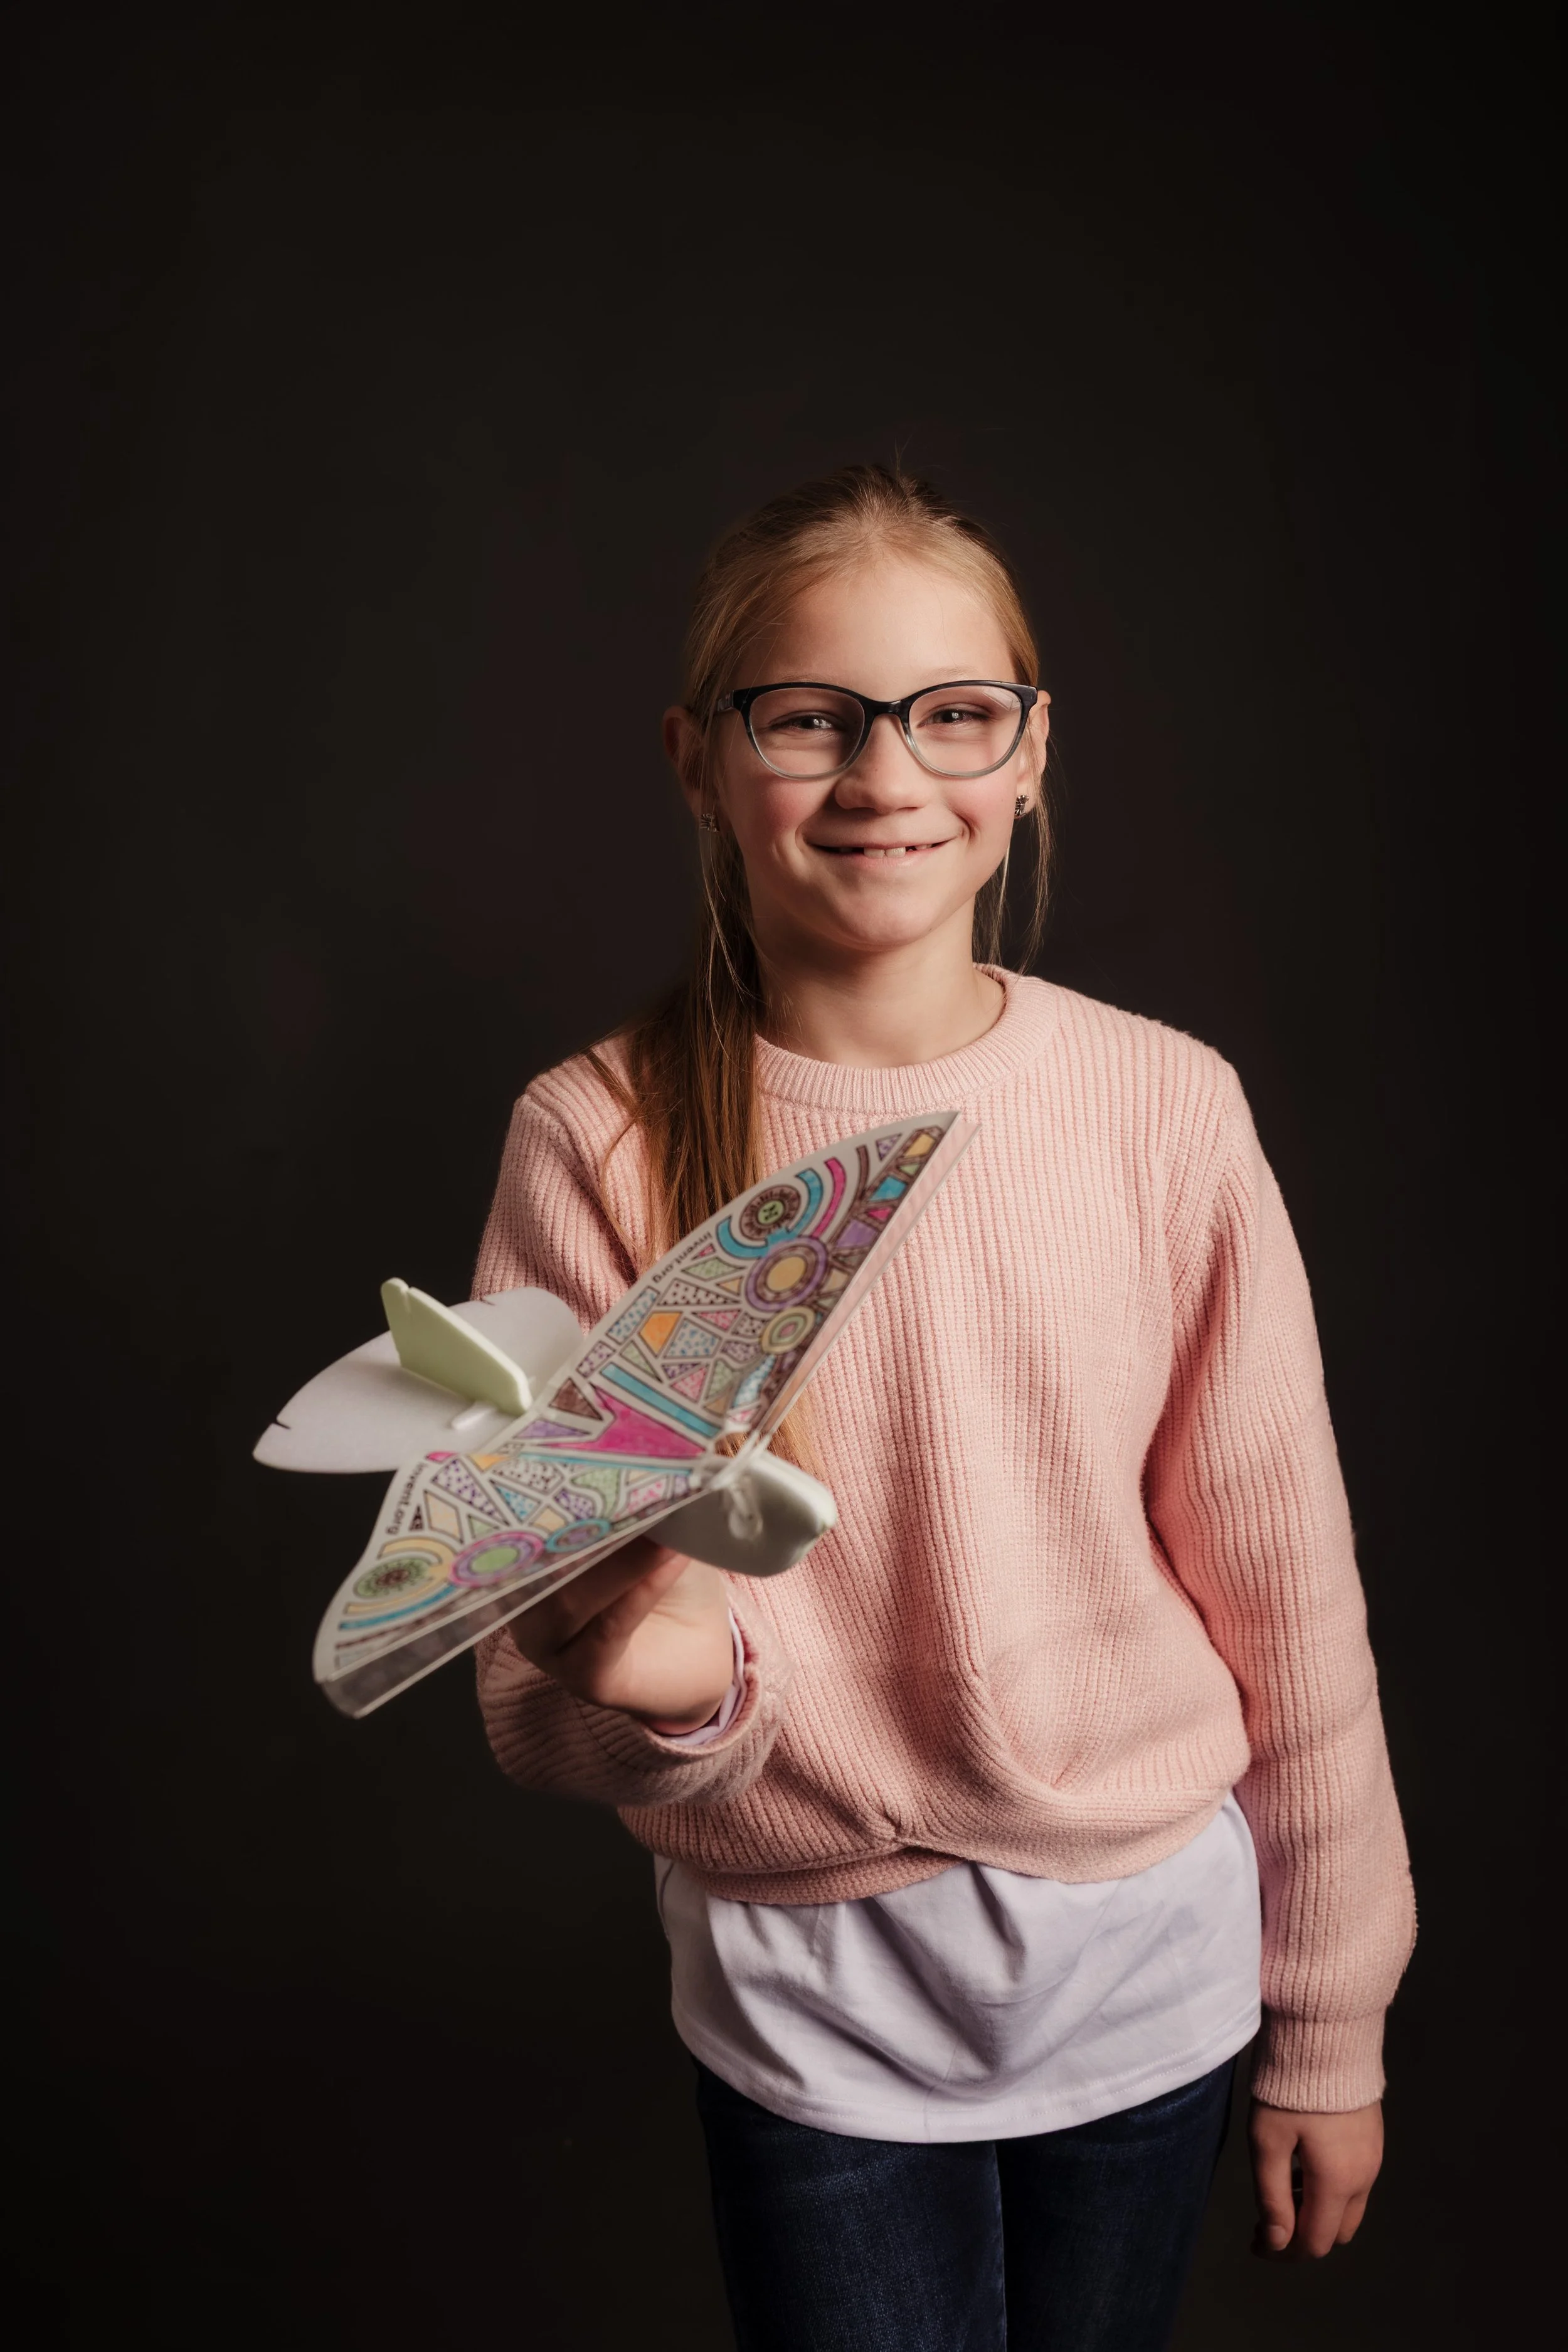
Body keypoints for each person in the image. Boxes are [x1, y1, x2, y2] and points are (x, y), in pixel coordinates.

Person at [471, 466, 1415, 2351]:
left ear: (1028, 749)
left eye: (950, 712)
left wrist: (1328, 2013)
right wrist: (669, 1682)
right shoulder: (600, 1138)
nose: (884, 775)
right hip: (815, 2008)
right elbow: (525, 1689)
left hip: (1147, 1974)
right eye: (807, 716)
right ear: (698, 757)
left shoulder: (1160, 1107)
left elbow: (1288, 1596)